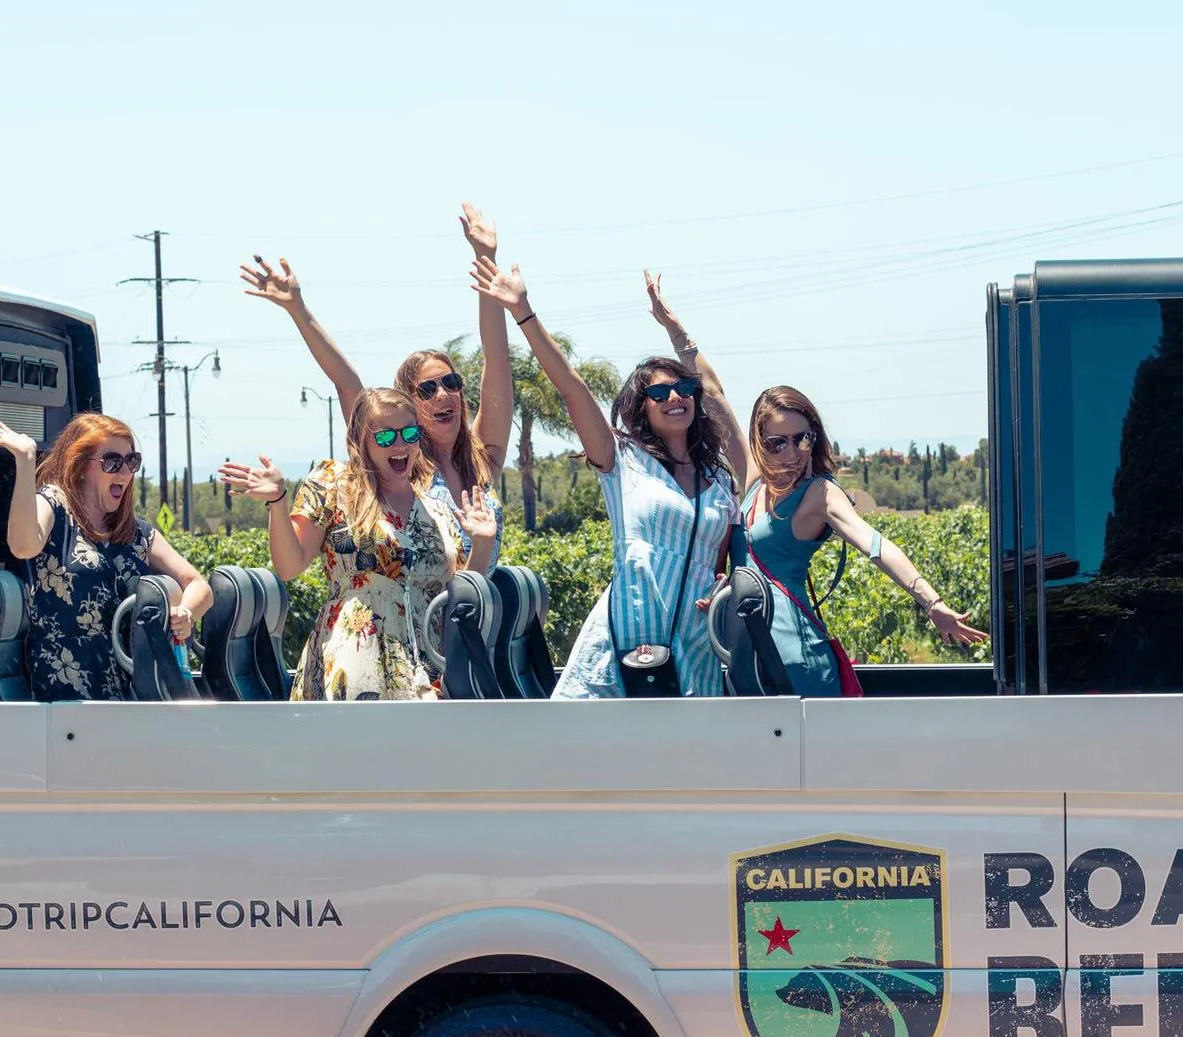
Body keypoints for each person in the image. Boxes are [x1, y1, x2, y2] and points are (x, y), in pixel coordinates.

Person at [644, 276, 987, 695]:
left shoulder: (819, 495)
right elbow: (712, 392)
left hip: (797, 661)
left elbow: (874, 544)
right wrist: (674, 328)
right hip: (746, 657)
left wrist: (932, 604)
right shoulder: (751, 480)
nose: (792, 452)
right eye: (777, 442)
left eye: (802, 438)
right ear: (758, 442)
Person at [471, 257, 745, 699]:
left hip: (696, 652)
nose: (675, 397)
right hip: (622, 648)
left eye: (682, 390)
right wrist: (524, 312)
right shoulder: (623, 460)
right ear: (642, 408)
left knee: (685, 765)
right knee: (585, 763)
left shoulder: (720, 478)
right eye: (658, 393)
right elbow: (572, 387)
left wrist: (677, 332)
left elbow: (718, 398)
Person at [240, 203, 511, 565]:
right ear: (409, 407)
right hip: (419, 612)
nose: (444, 394)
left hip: (478, 614)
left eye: (451, 382)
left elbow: (496, 359)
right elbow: (346, 382)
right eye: (428, 389)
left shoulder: (483, 458)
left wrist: (485, 257)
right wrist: (298, 310)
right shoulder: (400, 461)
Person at [220, 389, 496, 702]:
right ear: (360, 440)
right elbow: (289, 565)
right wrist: (277, 502)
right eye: (385, 437)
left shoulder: (437, 510)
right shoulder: (335, 485)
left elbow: (457, 602)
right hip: (355, 664)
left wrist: (483, 543)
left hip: (430, 673)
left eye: (409, 433)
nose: (400, 445)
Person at [0, 414, 212, 702]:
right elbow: (23, 546)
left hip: (133, 701)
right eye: (112, 461)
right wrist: (26, 461)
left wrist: (187, 613)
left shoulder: (137, 532)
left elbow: (198, 584)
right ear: (79, 466)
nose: (124, 472)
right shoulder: (54, 506)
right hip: (67, 703)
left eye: (132, 461)